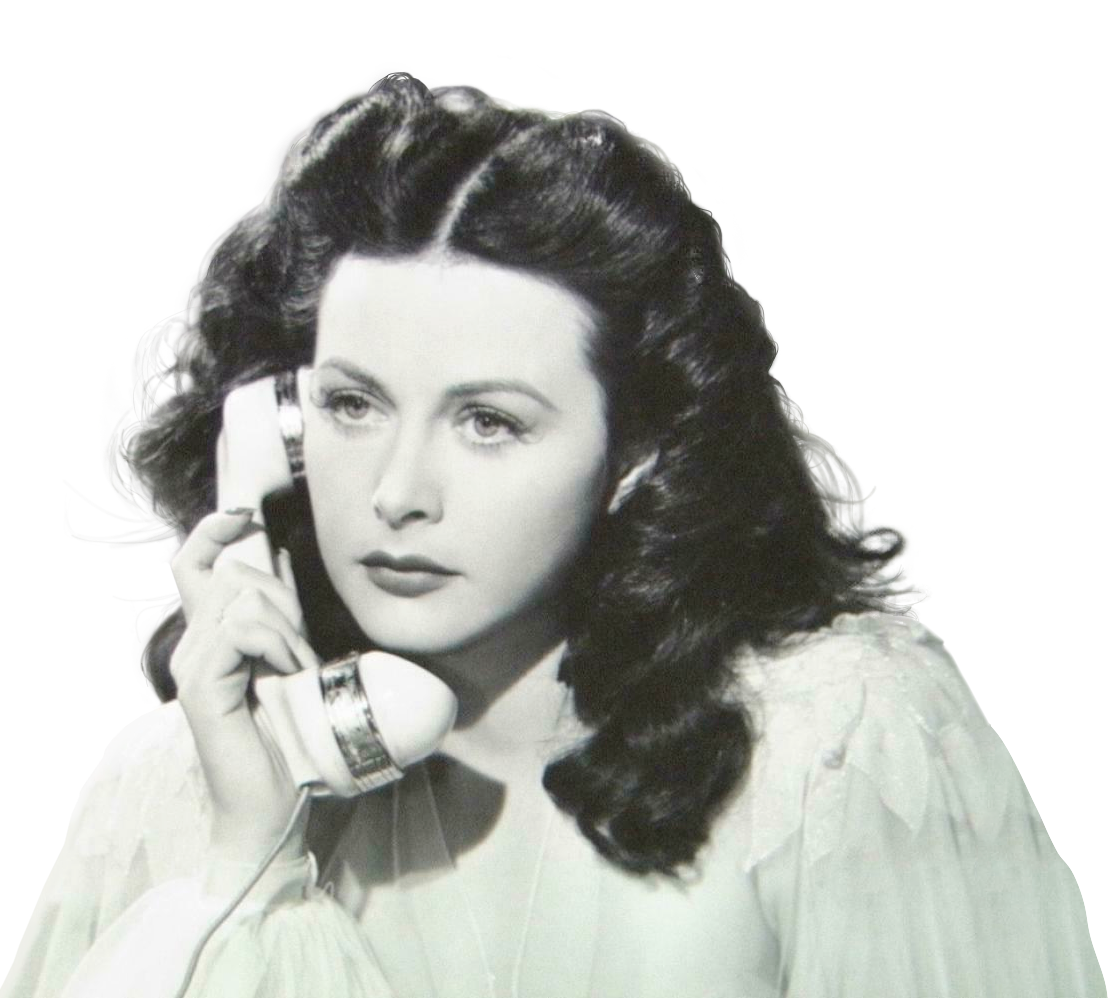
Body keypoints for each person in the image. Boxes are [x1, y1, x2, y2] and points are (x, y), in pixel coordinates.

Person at [10, 68, 1105, 997]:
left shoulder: (835, 738)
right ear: (279, 425)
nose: (398, 491)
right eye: (352, 404)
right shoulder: (172, 784)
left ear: (631, 453)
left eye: (488, 420)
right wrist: (245, 855)